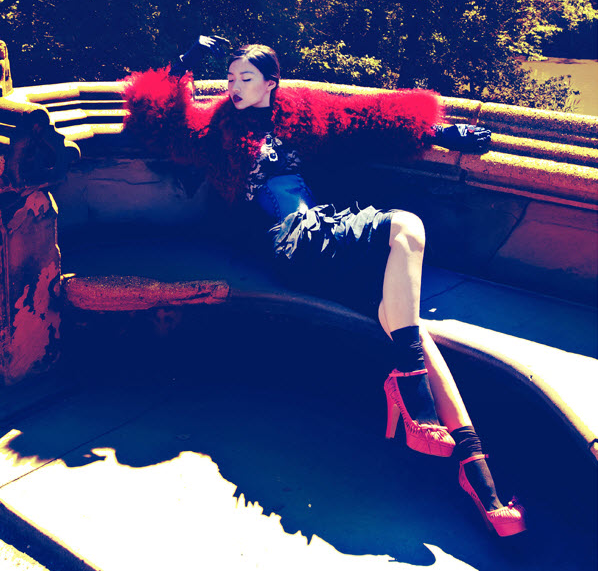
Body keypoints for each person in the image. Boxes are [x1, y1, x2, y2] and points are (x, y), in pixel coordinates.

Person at [123, 37, 525, 537]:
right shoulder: (217, 130)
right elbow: (159, 126)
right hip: (294, 243)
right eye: (229, 79)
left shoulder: (300, 114)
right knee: (407, 228)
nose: (233, 87)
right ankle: (410, 391)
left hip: (322, 238)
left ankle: (480, 480)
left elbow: (364, 119)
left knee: (411, 332)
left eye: (245, 78)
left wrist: (440, 131)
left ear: (272, 83)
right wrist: (184, 63)